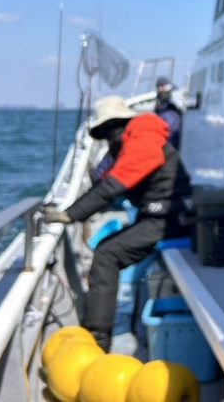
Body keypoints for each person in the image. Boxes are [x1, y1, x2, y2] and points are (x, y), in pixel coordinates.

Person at [43, 95, 193, 351]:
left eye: (106, 131)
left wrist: (71, 215)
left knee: (106, 254)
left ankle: (98, 339)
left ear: (115, 124)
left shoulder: (143, 137)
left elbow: (115, 184)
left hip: (168, 219)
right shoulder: (131, 139)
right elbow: (111, 181)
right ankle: (97, 328)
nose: (107, 138)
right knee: (106, 247)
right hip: (158, 216)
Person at [154, 76, 184, 151]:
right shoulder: (160, 102)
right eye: (158, 86)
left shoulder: (174, 97)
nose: (160, 89)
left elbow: (181, 106)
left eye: (162, 85)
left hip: (173, 138)